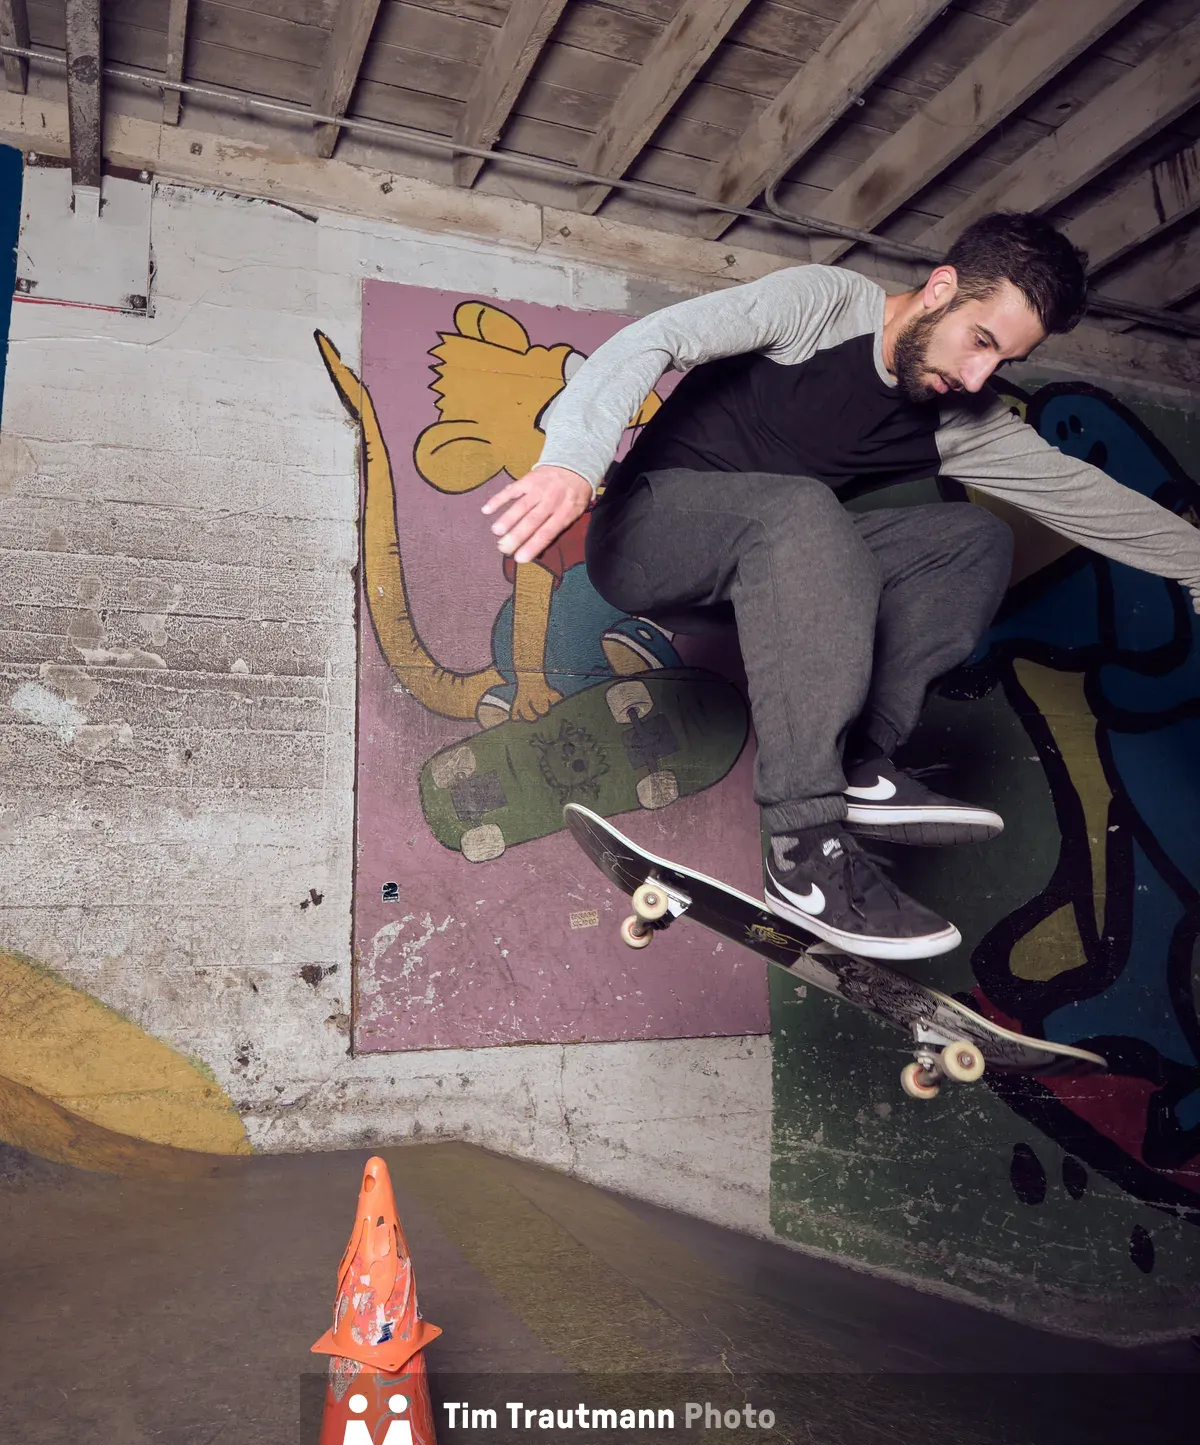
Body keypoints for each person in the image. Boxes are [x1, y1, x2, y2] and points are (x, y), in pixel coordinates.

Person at [481, 213, 1200, 960]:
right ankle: (802, 852)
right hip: (648, 538)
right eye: (980, 341)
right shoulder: (821, 306)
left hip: (774, 589)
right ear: (941, 290)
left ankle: (859, 760)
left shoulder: (961, 417)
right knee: (799, 508)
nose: (978, 377)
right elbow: (657, 337)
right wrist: (571, 459)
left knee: (974, 541)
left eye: (1003, 360)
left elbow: (1081, 494)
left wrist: (1196, 562)